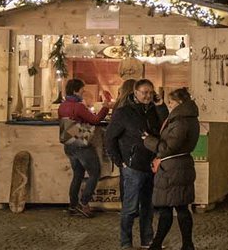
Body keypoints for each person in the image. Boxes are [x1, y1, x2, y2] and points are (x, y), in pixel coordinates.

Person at [105, 79, 164, 249]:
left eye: (150, 92)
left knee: (148, 206)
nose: (148, 95)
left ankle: (147, 240)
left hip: (151, 166)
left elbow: (164, 127)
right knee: (130, 208)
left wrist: (160, 106)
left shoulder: (154, 111)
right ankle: (126, 243)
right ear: (135, 93)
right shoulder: (124, 113)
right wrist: (120, 161)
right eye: (144, 92)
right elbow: (110, 138)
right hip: (132, 166)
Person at [143, 87, 200, 250]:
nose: (169, 105)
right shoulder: (186, 118)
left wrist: (148, 141)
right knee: (179, 207)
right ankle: (185, 245)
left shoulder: (181, 121)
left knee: (168, 207)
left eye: (171, 102)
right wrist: (160, 106)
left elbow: (168, 147)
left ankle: (158, 244)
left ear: (180, 102)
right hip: (180, 166)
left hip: (173, 168)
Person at [58, 77, 110, 217]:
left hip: (69, 145)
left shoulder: (63, 105)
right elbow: (95, 120)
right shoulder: (78, 106)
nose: (83, 91)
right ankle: (84, 203)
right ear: (76, 90)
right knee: (95, 173)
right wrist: (106, 107)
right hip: (81, 145)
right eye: (82, 89)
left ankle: (73, 206)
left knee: (78, 175)